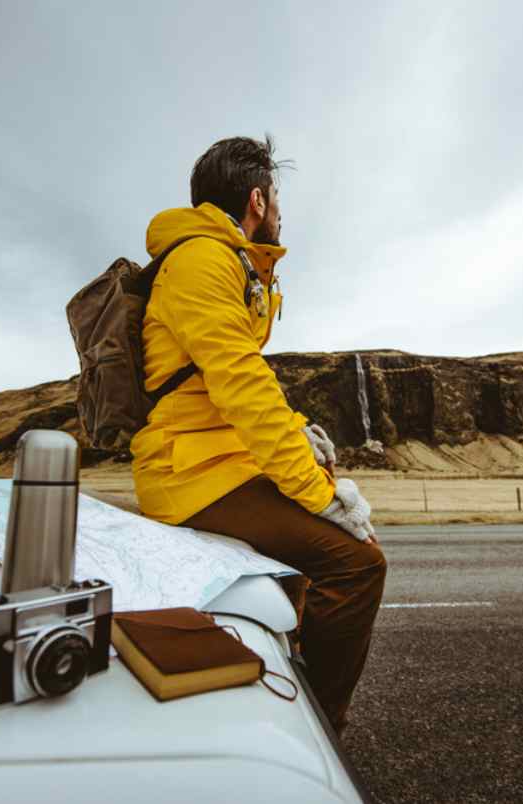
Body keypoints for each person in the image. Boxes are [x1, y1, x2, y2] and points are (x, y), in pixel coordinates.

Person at [130, 135, 387, 735]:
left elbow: (230, 379)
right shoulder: (203, 260)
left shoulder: (234, 263)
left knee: (303, 568)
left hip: (217, 457)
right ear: (256, 200)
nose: (279, 214)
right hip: (188, 472)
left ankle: (271, 695)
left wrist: (300, 433)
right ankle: (320, 735)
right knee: (356, 565)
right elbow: (238, 381)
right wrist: (318, 494)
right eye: (276, 201)